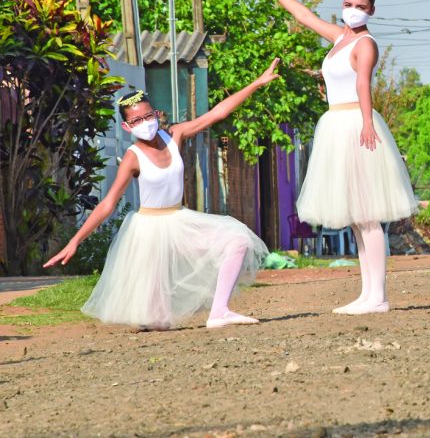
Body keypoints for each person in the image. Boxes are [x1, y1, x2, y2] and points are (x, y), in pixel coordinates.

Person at [44, 60, 282, 329]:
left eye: (148, 117)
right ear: (126, 127)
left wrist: (256, 83)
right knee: (156, 321)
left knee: (237, 241)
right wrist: (75, 241)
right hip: (149, 231)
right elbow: (109, 203)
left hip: (180, 221)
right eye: (136, 120)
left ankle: (219, 312)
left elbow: (216, 114)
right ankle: (154, 316)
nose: (144, 123)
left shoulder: (174, 135)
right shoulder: (132, 158)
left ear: (156, 114)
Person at [243, 0, 418, 315]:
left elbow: (363, 85)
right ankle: (367, 293)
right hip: (336, 123)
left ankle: (378, 296)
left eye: (361, 7)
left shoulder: (365, 44)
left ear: (372, 11)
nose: (353, 11)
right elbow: (304, 17)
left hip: (354, 123)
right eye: (349, 4)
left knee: (368, 216)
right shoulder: (339, 39)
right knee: (355, 217)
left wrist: (367, 123)